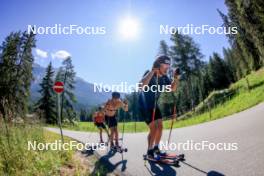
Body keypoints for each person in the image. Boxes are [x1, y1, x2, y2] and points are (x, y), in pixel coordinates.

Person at [139, 55, 180, 158]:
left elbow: (172, 89)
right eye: (165, 65)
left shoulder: (165, 77)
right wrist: (152, 72)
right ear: (158, 65)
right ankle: (149, 151)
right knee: (154, 128)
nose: (168, 68)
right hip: (144, 105)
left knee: (160, 127)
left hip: (154, 105)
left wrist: (176, 78)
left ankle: (156, 148)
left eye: (169, 66)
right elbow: (141, 86)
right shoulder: (150, 73)